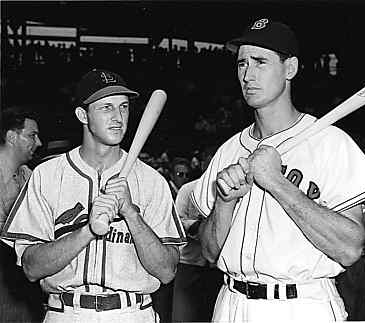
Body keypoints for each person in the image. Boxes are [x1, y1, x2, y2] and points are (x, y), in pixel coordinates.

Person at [191, 18, 365, 322]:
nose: (248, 75)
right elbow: (211, 253)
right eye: (242, 63)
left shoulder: (330, 144)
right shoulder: (228, 150)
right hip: (231, 304)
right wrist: (225, 202)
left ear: (290, 68)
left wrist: (277, 183)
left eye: (260, 62)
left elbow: (350, 249)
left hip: (301, 305)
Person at [1, 69, 186, 323]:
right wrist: (88, 230)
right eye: (106, 107)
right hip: (66, 312)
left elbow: (167, 271)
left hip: (131, 312)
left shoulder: (152, 181)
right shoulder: (48, 175)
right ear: (82, 115)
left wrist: (131, 214)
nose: (118, 117)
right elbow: (32, 268)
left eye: (123, 107)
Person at [0, 107, 44, 323]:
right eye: (32, 135)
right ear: (11, 137)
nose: (39, 143)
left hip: (21, 282)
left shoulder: (30, 177)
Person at [171, 145, 223, 323]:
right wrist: (200, 228)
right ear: (202, 164)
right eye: (209, 162)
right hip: (189, 264)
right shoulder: (188, 189)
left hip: (218, 269)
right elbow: (177, 223)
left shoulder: (230, 191)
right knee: (183, 317)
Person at [151, 156, 191, 322]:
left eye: (186, 175)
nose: (183, 178)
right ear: (171, 174)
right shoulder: (163, 189)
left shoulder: (186, 191)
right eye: (180, 174)